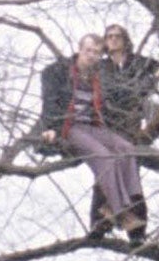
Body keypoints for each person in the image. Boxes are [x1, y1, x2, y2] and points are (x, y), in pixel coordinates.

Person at [39, 32, 148, 241]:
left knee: (126, 148)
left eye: (97, 53)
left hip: (93, 126)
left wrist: (148, 85)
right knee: (103, 155)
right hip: (68, 126)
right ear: (79, 49)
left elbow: (119, 96)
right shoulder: (58, 71)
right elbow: (50, 101)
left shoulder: (100, 75)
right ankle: (121, 212)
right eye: (88, 51)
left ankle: (123, 201)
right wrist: (50, 127)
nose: (91, 56)